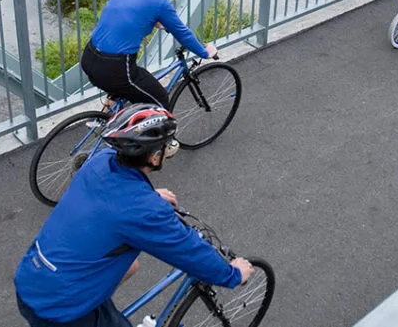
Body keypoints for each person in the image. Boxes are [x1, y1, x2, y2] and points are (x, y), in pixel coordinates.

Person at [14, 104, 255, 327]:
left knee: (131, 265)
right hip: (60, 311)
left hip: (33, 277)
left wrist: (150, 196)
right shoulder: (145, 211)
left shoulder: (100, 163)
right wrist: (233, 274)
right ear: (153, 156)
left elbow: (113, 196)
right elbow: (189, 250)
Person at [81, 0, 216, 111]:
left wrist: (154, 21)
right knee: (160, 101)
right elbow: (183, 34)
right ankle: (162, 138)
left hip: (89, 57)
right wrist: (205, 52)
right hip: (115, 69)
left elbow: (125, 13)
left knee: (127, 89)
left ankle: (107, 117)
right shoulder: (161, 3)